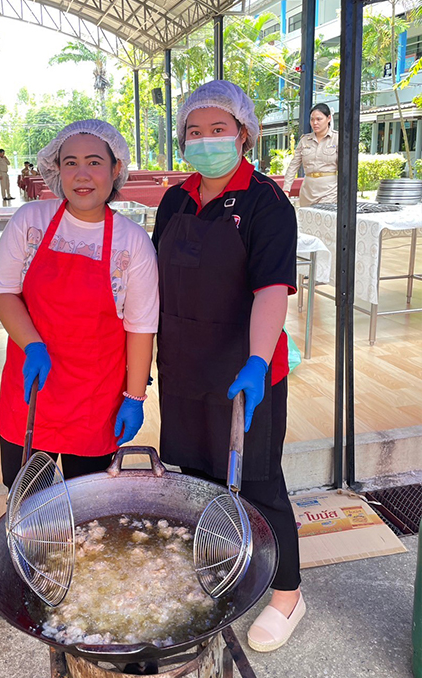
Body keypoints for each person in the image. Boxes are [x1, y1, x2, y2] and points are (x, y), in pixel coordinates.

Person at [154, 80, 303, 653]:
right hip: (185, 365)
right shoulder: (175, 200)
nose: (205, 140)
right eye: (194, 131)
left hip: (245, 369)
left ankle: (287, 593)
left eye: (218, 129)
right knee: (195, 479)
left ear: (244, 134)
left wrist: (258, 361)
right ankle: (219, 570)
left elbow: (272, 291)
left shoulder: (267, 202)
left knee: (259, 483)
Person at [0, 120, 159, 488]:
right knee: (27, 501)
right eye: (71, 163)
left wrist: (134, 397)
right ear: (57, 169)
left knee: (90, 504)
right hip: (33, 390)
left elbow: (141, 327)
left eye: (94, 162)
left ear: (116, 168)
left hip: (94, 401)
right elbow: (3, 291)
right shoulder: (30, 221)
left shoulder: (133, 242)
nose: (82, 175)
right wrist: (32, 344)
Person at [283, 103, 338, 207]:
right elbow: (293, 166)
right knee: (307, 217)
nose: (315, 123)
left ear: (329, 118)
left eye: (319, 119)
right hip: (308, 193)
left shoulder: (337, 139)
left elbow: (345, 169)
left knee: (325, 216)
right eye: (312, 119)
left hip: (330, 192)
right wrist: (286, 189)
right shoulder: (304, 140)